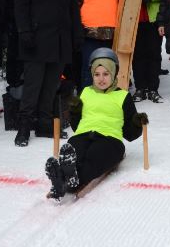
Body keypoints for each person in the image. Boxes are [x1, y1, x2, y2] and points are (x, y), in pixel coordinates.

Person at [44, 48, 147, 200]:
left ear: (114, 73)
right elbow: (77, 126)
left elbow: (129, 134)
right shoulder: (86, 92)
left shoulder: (123, 96)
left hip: (109, 139)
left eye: (106, 74)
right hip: (83, 134)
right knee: (73, 148)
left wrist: (137, 123)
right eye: (97, 74)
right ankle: (66, 175)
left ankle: (67, 179)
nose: (101, 79)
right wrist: (74, 111)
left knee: (95, 155)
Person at [13, 0, 82, 147]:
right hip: (36, 37)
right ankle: (24, 127)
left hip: (60, 39)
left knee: (51, 85)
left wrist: (75, 35)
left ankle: (44, 125)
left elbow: (72, 8)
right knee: (33, 85)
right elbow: (20, 5)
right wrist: (24, 31)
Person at [76, 0, 120, 89]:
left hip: (111, 34)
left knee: (108, 67)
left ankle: (107, 99)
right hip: (89, 33)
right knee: (89, 67)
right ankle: (87, 98)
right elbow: (74, 8)